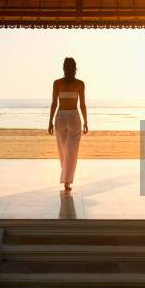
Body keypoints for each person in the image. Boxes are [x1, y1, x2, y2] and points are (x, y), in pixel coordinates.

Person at [48, 57, 88, 190]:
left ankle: (66, 179)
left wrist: (50, 121)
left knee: (63, 150)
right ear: (75, 68)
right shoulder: (80, 84)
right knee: (72, 151)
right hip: (73, 118)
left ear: (64, 68)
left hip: (60, 117)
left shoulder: (57, 83)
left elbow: (54, 103)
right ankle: (67, 181)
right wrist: (86, 122)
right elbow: (82, 105)